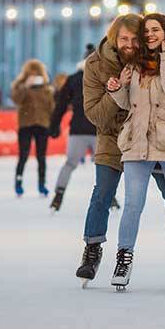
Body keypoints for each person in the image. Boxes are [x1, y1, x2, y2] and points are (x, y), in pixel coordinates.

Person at [76, 13, 165, 289]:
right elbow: (96, 114)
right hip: (116, 138)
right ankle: (92, 249)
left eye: (136, 38)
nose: (131, 43)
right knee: (104, 194)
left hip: (158, 139)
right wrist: (117, 89)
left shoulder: (160, 58)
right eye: (124, 39)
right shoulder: (97, 65)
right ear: (114, 38)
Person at [48, 47, 97, 211]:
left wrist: (54, 125)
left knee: (70, 164)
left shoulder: (74, 79)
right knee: (104, 166)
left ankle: (59, 194)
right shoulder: (104, 76)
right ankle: (109, 196)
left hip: (79, 130)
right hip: (99, 131)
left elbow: (61, 104)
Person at [11, 60, 55, 197]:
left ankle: (42, 184)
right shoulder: (20, 86)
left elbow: (51, 108)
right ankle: (18, 183)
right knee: (23, 155)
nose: (34, 75)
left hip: (42, 125)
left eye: (36, 73)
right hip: (25, 125)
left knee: (41, 157)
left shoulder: (47, 89)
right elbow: (16, 100)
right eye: (31, 73)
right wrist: (25, 86)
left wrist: (53, 125)